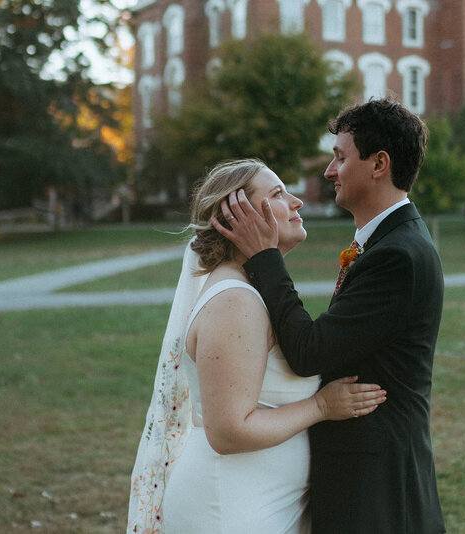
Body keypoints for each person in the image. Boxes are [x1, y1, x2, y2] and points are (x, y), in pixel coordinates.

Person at [213, 98, 446, 533]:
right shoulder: (387, 243)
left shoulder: (398, 255)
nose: (328, 171)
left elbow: (309, 351)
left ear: (379, 164)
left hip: (377, 488)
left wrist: (264, 256)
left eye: (340, 157)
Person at [127, 159, 387, 534]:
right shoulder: (235, 301)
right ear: (239, 217)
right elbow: (229, 430)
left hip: (257, 502)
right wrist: (321, 406)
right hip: (228, 507)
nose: (297, 202)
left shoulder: (250, 289)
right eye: (279, 194)